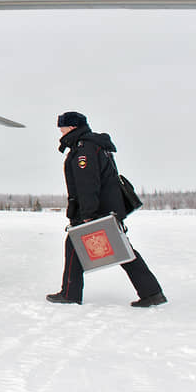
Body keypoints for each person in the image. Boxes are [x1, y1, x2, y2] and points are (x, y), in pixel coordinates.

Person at [47, 111, 167, 307]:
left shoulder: (84, 150)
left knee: (82, 245)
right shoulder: (93, 146)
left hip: (96, 211)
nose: (60, 131)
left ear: (72, 127)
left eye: (62, 127)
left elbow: (88, 184)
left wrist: (87, 214)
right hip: (107, 209)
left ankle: (70, 294)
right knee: (119, 250)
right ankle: (152, 292)